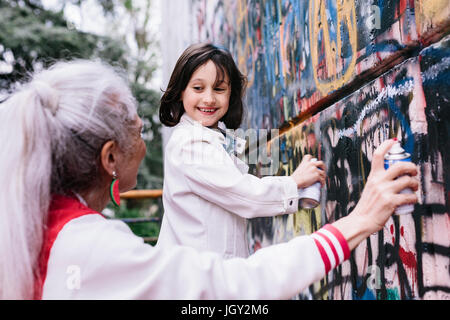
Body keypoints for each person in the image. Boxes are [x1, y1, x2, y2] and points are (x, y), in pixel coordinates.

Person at [0, 59, 418, 300]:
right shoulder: (91, 247)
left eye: (219, 89)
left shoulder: (40, 230)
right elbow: (235, 286)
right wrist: (360, 218)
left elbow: (240, 153)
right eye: (138, 131)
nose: (146, 143)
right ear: (111, 157)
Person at [158, 43, 326, 258]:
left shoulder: (212, 136)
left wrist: (299, 192)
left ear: (231, 94)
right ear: (181, 91)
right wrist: (295, 182)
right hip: (201, 279)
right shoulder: (190, 144)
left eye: (219, 89)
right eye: (198, 88)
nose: (209, 98)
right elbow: (243, 194)